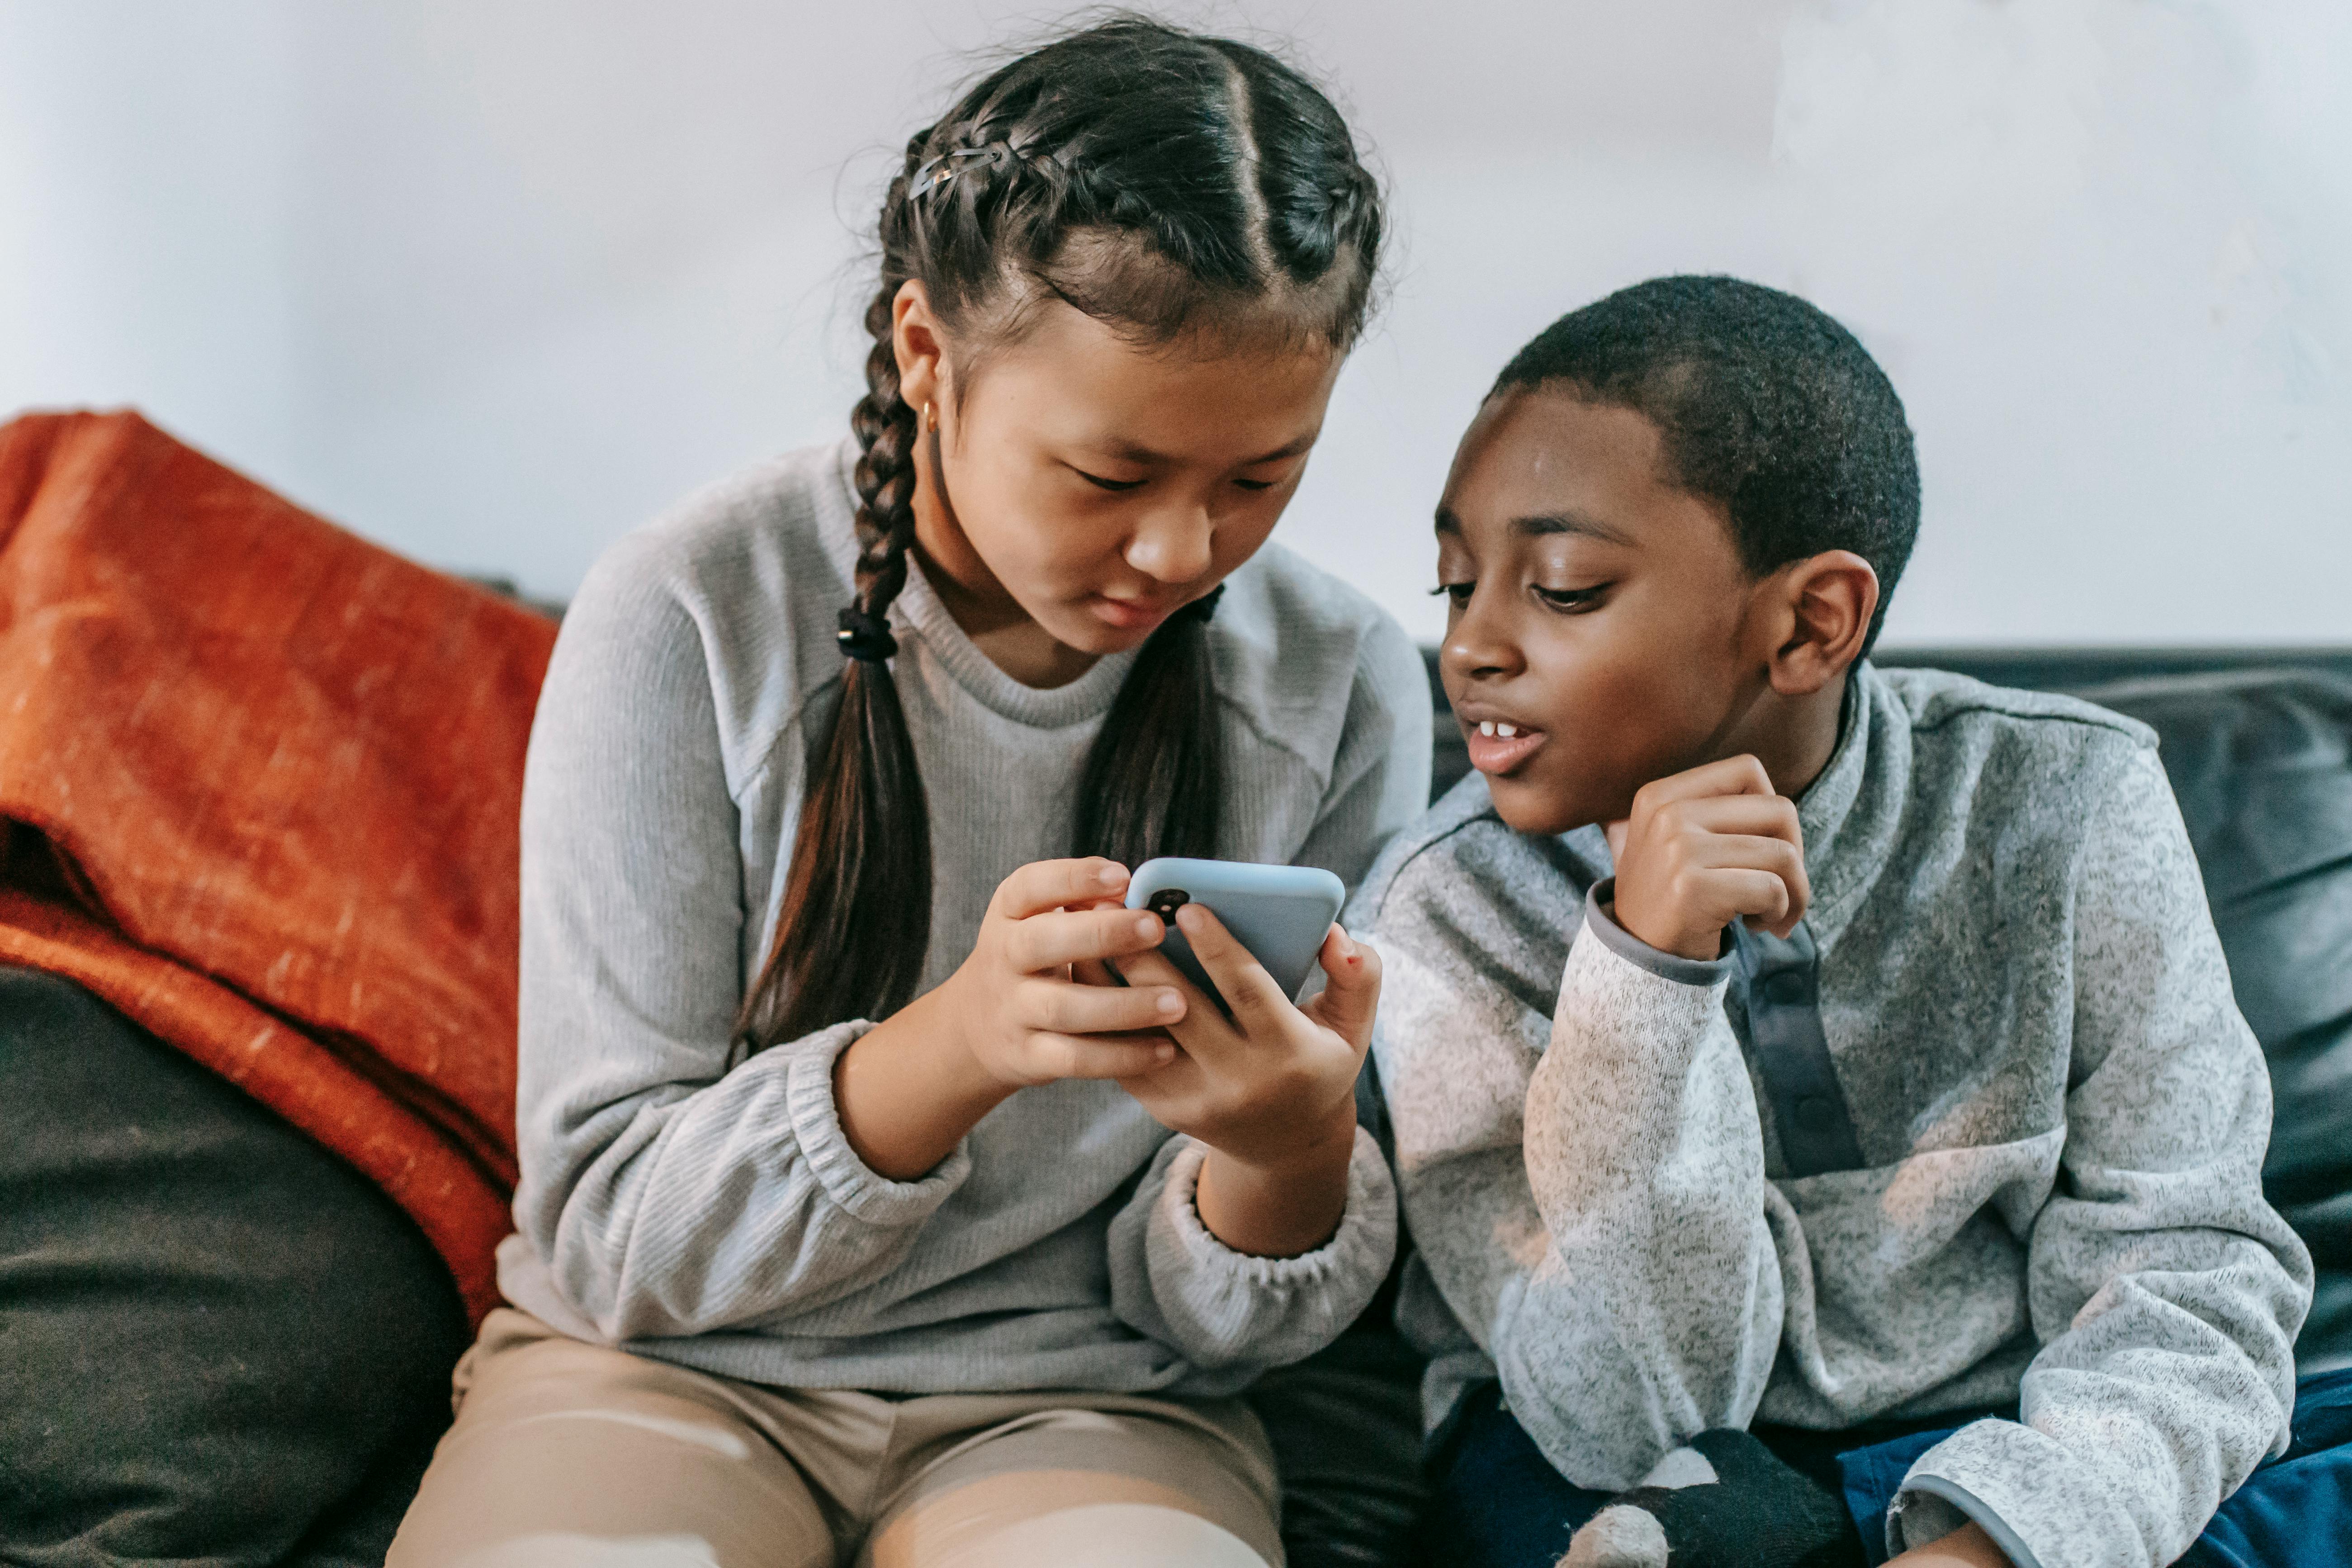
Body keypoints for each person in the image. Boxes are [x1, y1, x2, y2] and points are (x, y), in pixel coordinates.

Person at [388, 20, 1432, 1567]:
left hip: (1096, 1404)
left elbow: (1227, 1320)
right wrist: (952, 1047)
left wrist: (1288, 1151)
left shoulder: (1337, 680)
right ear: (927, 358)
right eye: (1109, 474)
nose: (1180, 553)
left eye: (1255, 479)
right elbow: (611, 1226)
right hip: (663, 1368)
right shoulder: (693, 611)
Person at [1355, 275, 2319, 1568]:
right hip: (1643, 1471)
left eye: (1564, 587)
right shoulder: (1443, 909)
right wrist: (1640, 978)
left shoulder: (2069, 799)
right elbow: (1628, 1410)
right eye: (1456, 585)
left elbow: (2191, 1272)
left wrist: (2002, 1535)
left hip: (2013, 1434)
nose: (1470, 645)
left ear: (1811, 624)